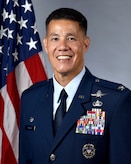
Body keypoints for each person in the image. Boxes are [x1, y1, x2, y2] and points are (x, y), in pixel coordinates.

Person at [19, 8, 131, 164]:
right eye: (55, 38)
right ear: (46, 44)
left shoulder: (116, 102)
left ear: (85, 44)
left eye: (71, 38)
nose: (62, 46)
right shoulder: (30, 98)